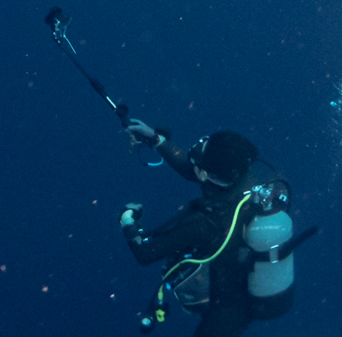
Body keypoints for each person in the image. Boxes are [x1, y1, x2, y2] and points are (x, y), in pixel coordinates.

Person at [118, 120, 305, 335]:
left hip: (226, 309)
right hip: (242, 287)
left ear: (209, 175)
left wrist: (127, 218)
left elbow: (144, 252)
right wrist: (156, 139)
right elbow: (193, 170)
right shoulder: (244, 180)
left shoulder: (204, 224)